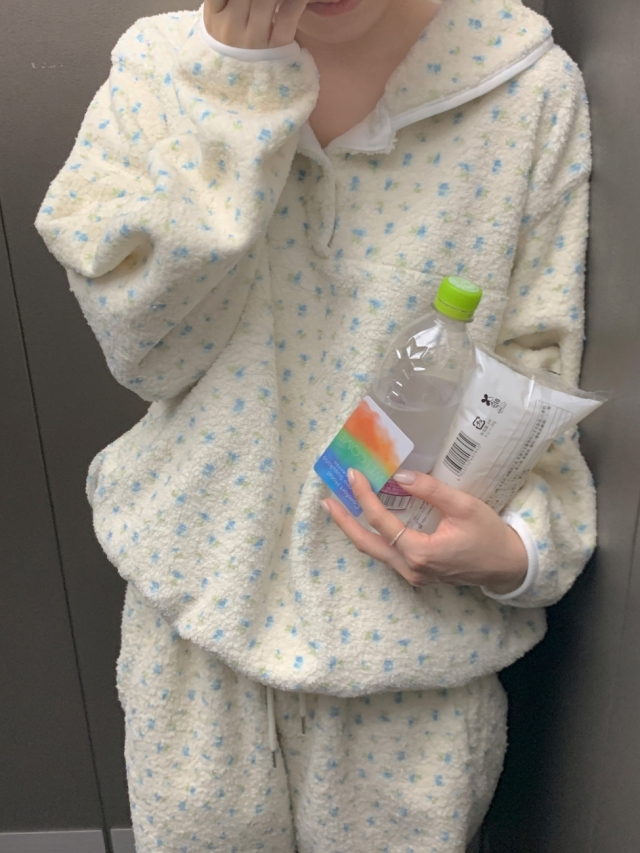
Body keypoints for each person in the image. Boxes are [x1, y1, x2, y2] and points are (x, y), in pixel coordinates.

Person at [35, 0, 594, 850]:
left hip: (413, 647)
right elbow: (147, 353)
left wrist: (522, 550)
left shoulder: (528, 86)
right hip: (198, 622)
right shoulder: (159, 65)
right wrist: (233, 95)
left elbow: (539, 368)